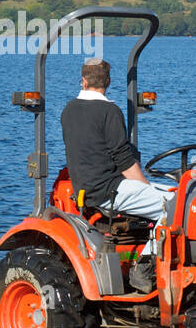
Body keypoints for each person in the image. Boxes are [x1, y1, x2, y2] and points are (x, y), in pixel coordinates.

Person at [60, 58, 171, 225]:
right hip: (107, 190)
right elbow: (124, 160)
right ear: (108, 82)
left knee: (175, 193)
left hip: (88, 187)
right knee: (177, 206)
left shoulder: (69, 109)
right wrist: (145, 187)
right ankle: (152, 251)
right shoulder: (109, 111)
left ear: (84, 81)